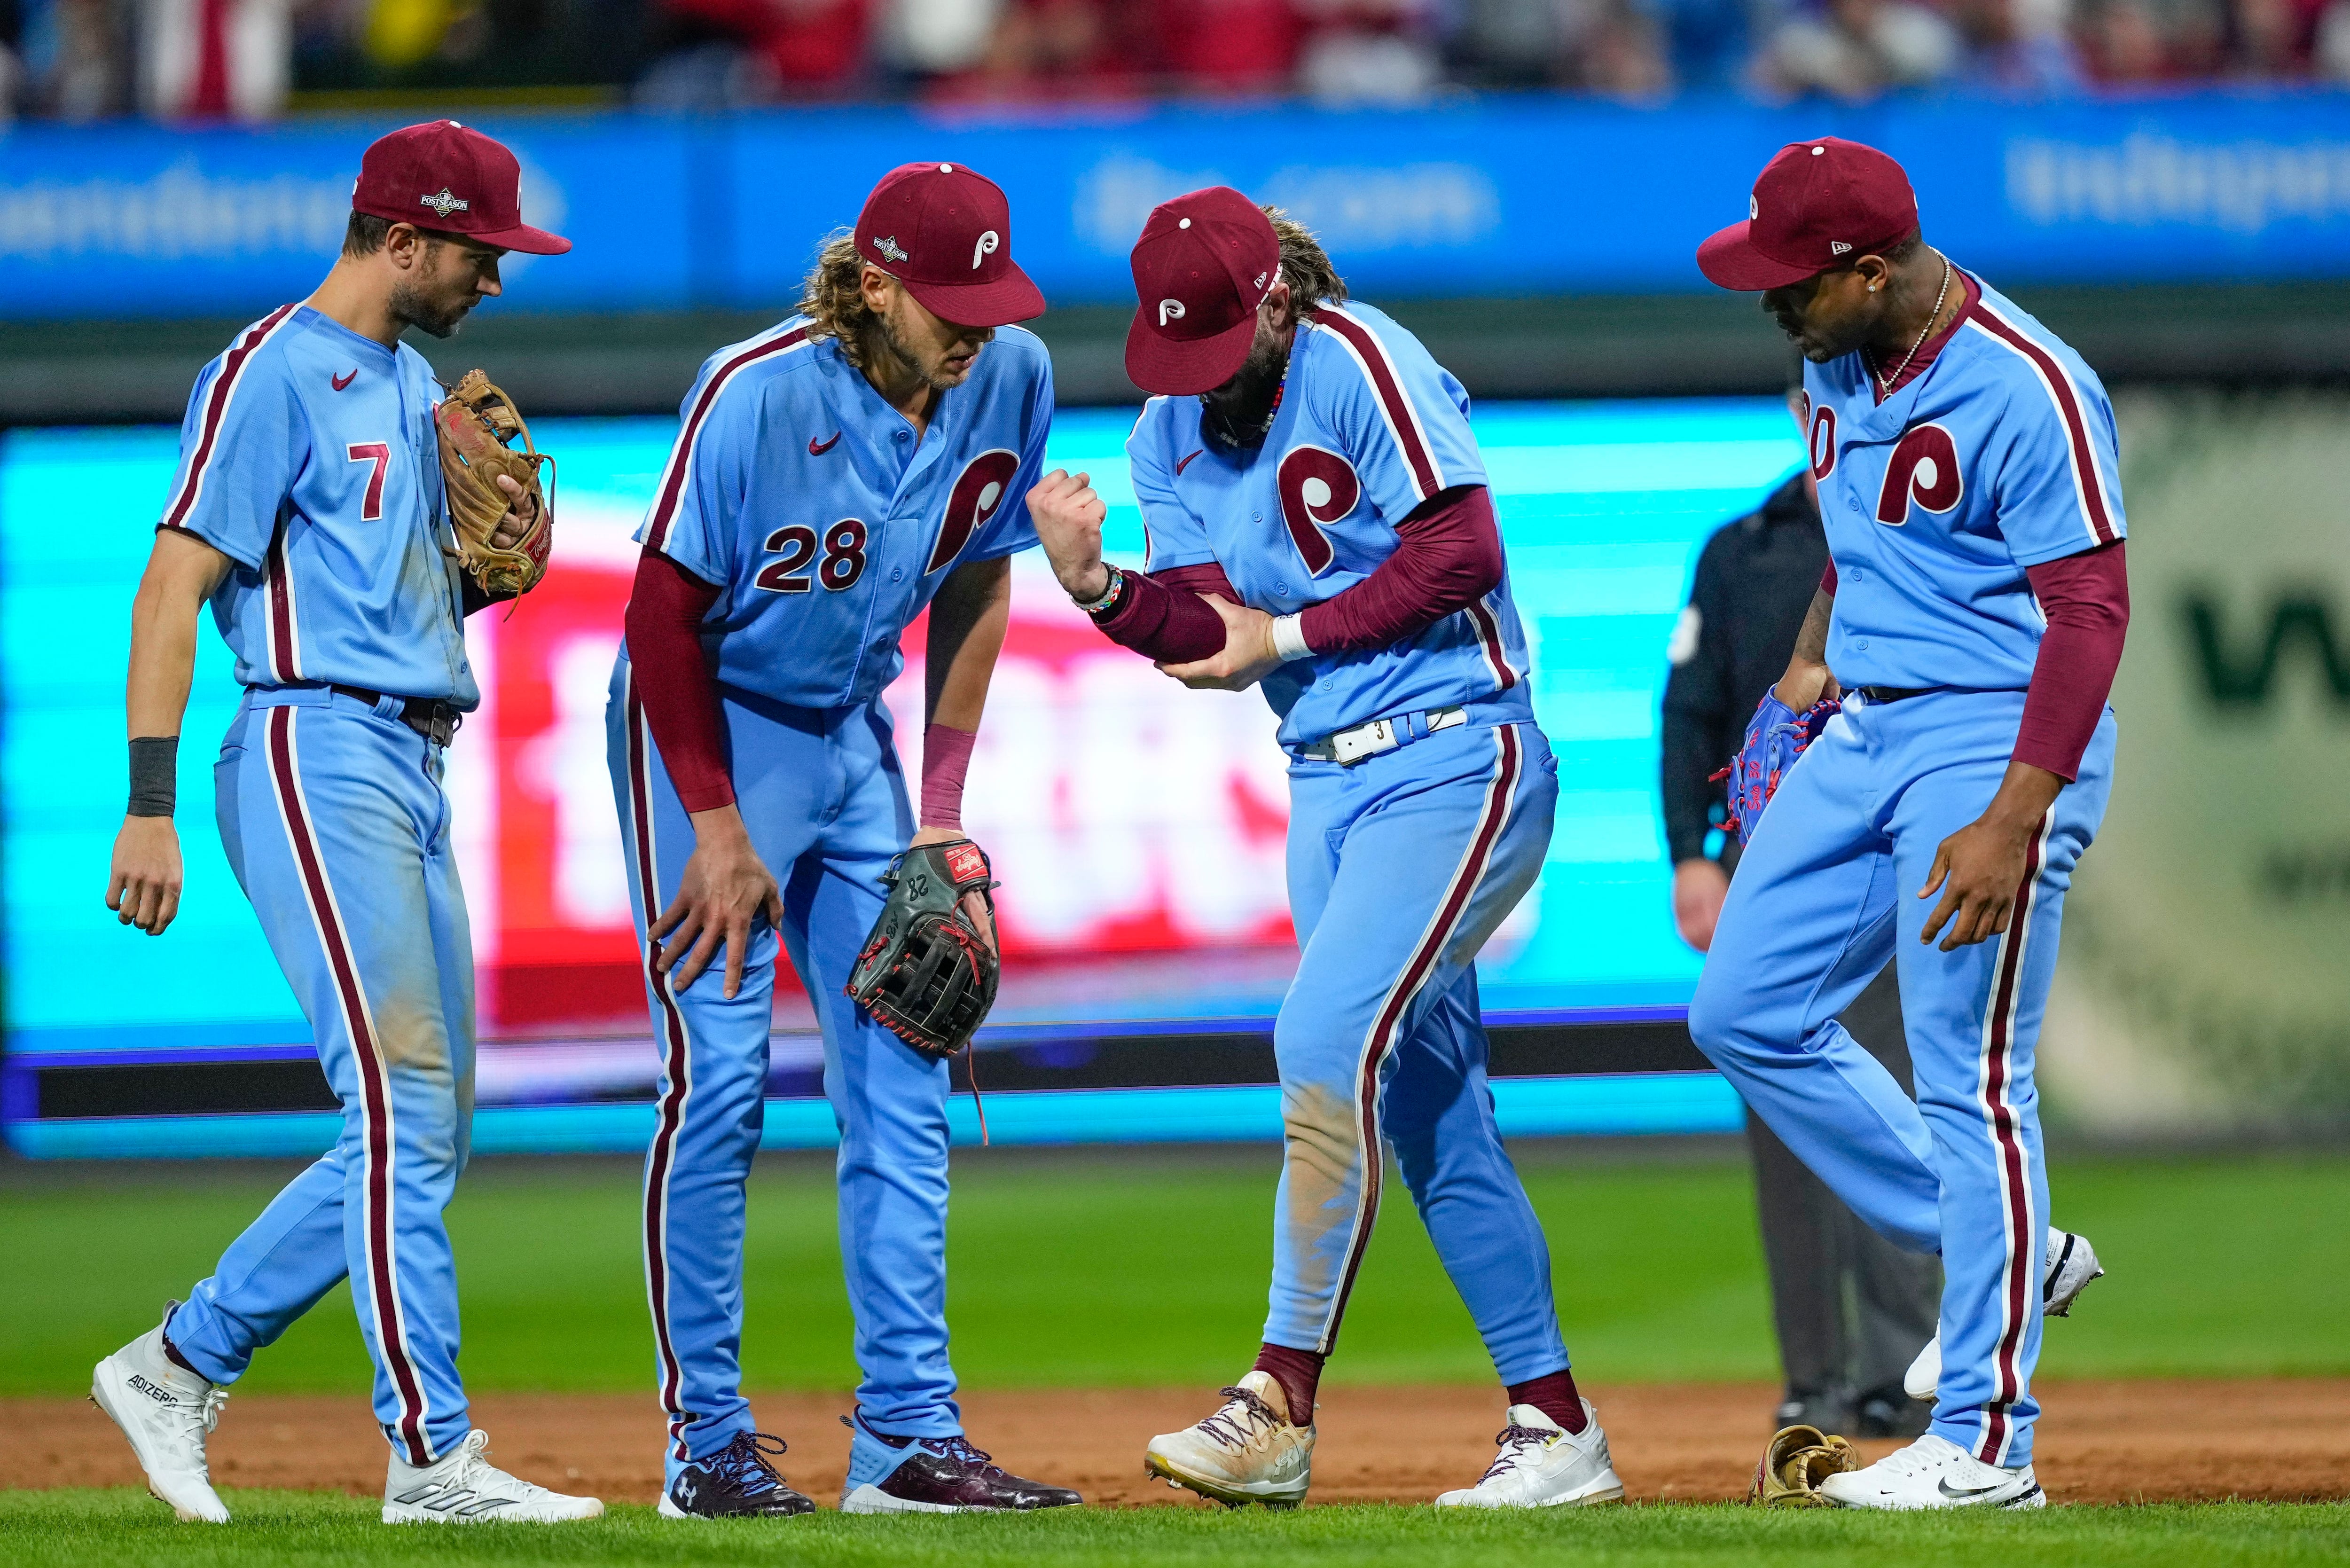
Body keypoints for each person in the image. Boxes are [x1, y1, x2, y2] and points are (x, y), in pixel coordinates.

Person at [1026, 189, 1617, 1510]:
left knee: (1322, 1041)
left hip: (1461, 752)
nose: (1199, 376)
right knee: (1429, 1112)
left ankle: (1278, 1401)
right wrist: (1100, 591)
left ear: (1277, 302)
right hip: (1325, 785)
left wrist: (1286, 641)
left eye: (1220, 340)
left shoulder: (1363, 360)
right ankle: (1557, 1427)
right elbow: (1208, 636)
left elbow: (1463, 550)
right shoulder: (1165, 429)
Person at [93, 121, 599, 1526]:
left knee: (424, 1128)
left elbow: (401, 588)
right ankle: (431, 1456)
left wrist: (482, 582)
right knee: (395, 1115)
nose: (496, 278)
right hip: (314, 745)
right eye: (482, 252)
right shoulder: (267, 372)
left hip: (419, 752)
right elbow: (171, 587)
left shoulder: (410, 374)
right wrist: (147, 806)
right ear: (407, 239)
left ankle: (178, 1363)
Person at [608, 160, 1079, 1519]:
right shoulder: (756, 388)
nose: (977, 325)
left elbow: (984, 572)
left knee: (906, 1069)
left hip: (853, 733)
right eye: (951, 300)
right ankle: (704, 1447)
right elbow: (658, 618)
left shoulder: (1011, 376)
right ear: (875, 286)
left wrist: (940, 809)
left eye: (993, 295)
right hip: (712, 729)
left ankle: (909, 1442)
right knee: (720, 1088)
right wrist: (712, 826)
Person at [1687, 136, 2127, 1508]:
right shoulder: (1828, 355)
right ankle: (2016, 1246)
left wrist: (2016, 817)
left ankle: (1992, 1444)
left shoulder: (2029, 385)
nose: (1773, 304)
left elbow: (2091, 614)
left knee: (1971, 1073)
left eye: (1792, 284)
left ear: (1870, 272)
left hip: (1994, 734)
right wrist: (1812, 657)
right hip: (1864, 719)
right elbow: (1859, 530)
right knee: (1742, 1010)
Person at [1661, 389, 1939, 1441]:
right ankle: (1814, 1379)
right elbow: (1690, 711)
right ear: (1797, 405)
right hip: (1771, 872)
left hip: (1887, 863)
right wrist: (1693, 853)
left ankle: (1901, 1370)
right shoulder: (1744, 548)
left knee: (1888, 1104)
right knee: (1783, 1119)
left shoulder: (1926, 527)